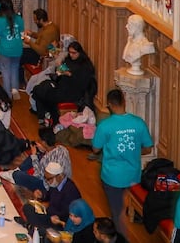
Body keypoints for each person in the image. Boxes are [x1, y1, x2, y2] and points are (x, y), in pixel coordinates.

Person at [92, 89, 154, 239]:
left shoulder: (105, 126)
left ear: (109, 104)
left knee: (117, 213)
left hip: (112, 177)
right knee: (123, 211)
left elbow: (95, 149)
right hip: (134, 176)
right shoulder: (138, 123)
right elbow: (148, 148)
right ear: (124, 101)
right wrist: (133, 152)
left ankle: (120, 238)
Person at [32, 41, 97, 122]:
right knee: (41, 88)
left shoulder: (85, 65)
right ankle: (43, 117)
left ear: (79, 52)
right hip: (61, 87)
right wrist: (61, 71)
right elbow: (62, 69)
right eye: (70, 52)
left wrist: (68, 74)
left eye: (74, 53)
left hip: (72, 93)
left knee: (41, 92)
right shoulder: (69, 60)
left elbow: (81, 82)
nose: (71, 55)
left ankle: (46, 117)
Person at [20, 161, 82, 236]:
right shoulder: (55, 183)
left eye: (49, 179)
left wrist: (48, 211)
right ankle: (34, 227)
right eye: (46, 178)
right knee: (27, 207)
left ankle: (33, 227)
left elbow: (66, 214)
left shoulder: (71, 191)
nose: (47, 182)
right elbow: (48, 195)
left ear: (59, 176)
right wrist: (42, 195)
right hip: (50, 215)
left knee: (40, 220)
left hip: (59, 221)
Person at [0, 0, 25, 96]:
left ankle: (7, 95)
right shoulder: (18, 18)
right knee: (15, 68)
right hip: (17, 48)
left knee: (5, 71)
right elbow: (22, 35)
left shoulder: (0, 20)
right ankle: (15, 89)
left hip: (5, 50)